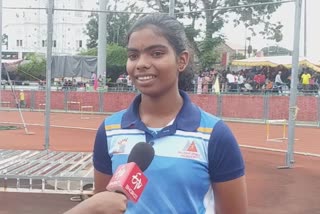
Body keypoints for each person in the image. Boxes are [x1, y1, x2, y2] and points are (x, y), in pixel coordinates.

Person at [92, 14, 247, 213]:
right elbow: (102, 205)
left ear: (181, 60)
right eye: (133, 56)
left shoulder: (215, 135)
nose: (141, 64)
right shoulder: (109, 130)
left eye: (156, 53)